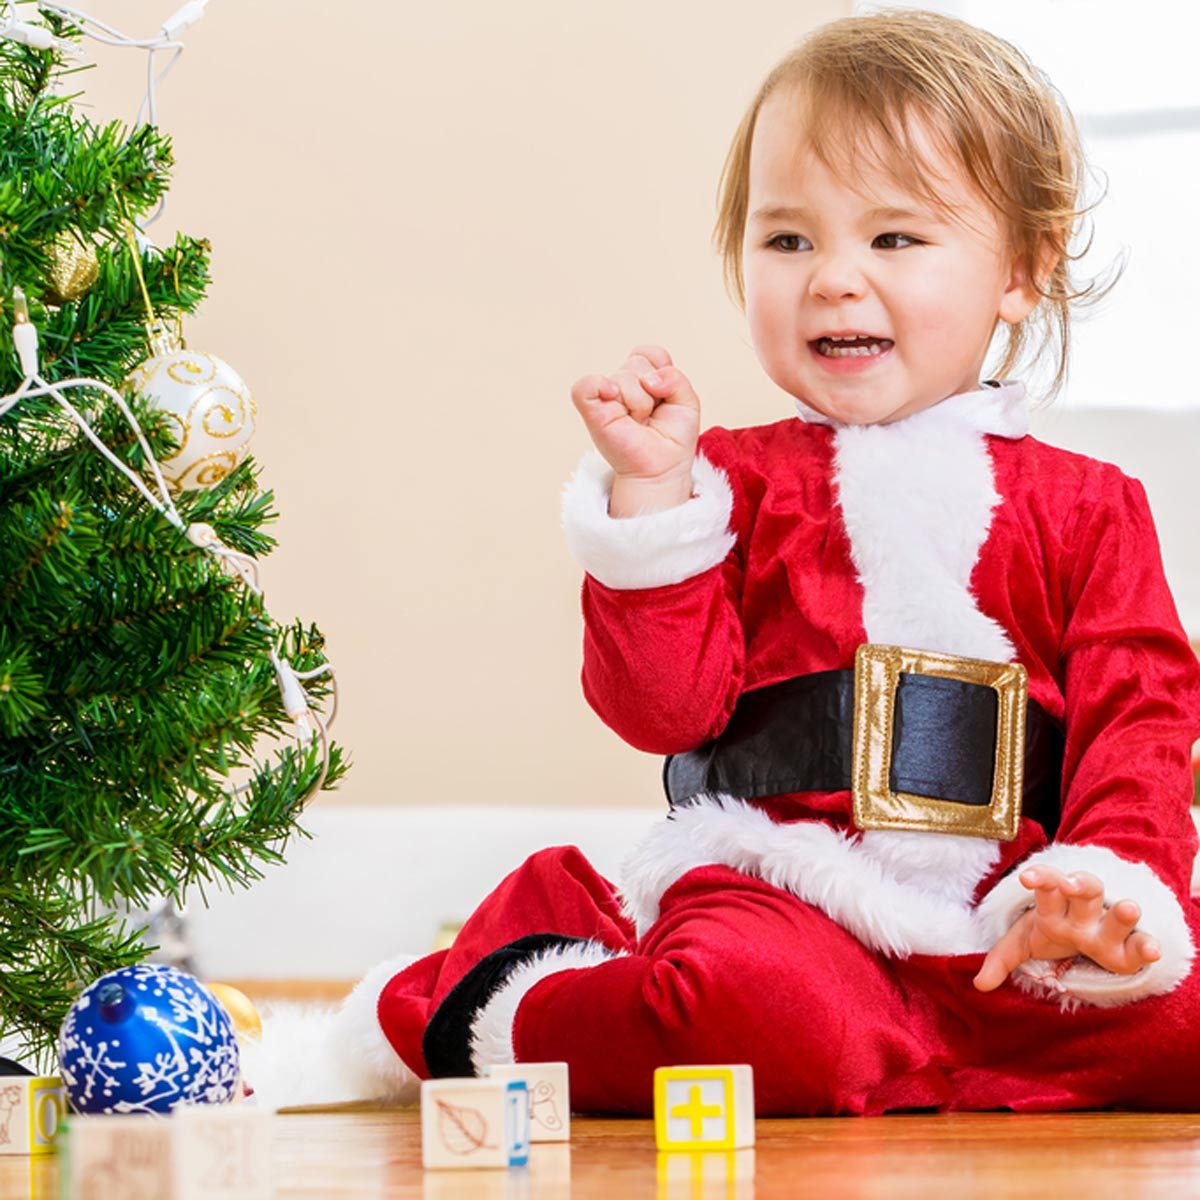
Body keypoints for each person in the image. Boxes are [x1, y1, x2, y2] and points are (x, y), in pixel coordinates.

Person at [251, 10, 1200, 1115]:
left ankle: (926, 1047)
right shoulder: (730, 485)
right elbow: (662, 707)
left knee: (1177, 1023)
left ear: (1020, 272)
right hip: (786, 899)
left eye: (895, 239)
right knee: (755, 1018)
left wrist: (1102, 897)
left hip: (1003, 931)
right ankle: (495, 983)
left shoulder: (1089, 507)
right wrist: (653, 507)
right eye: (788, 240)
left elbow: (1141, 722)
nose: (834, 281)